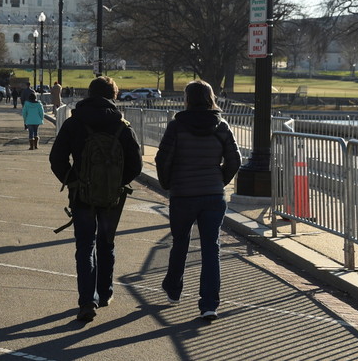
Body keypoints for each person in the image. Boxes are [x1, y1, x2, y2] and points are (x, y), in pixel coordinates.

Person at [49, 76, 142, 322]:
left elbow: (56, 158)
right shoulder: (122, 124)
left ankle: (86, 301)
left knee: (85, 246)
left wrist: (72, 180)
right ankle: (105, 292)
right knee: (106, 243)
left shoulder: (75, 122)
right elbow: (136, 164)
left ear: (89, 94)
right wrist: (117, 183)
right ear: (114, 95)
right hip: (112, 196)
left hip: (82, 193)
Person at [156, 80, 241, 322]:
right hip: (212, 195)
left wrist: (168, 183)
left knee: (180, 242)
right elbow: (235, 160)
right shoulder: (221, 126)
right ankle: (209, 304)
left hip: (183, 194)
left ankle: (174, 289)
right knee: (211, 248)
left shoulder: (176, 126)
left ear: (188, 99)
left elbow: (163, 158)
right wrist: (219, 181)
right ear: (210, 98)